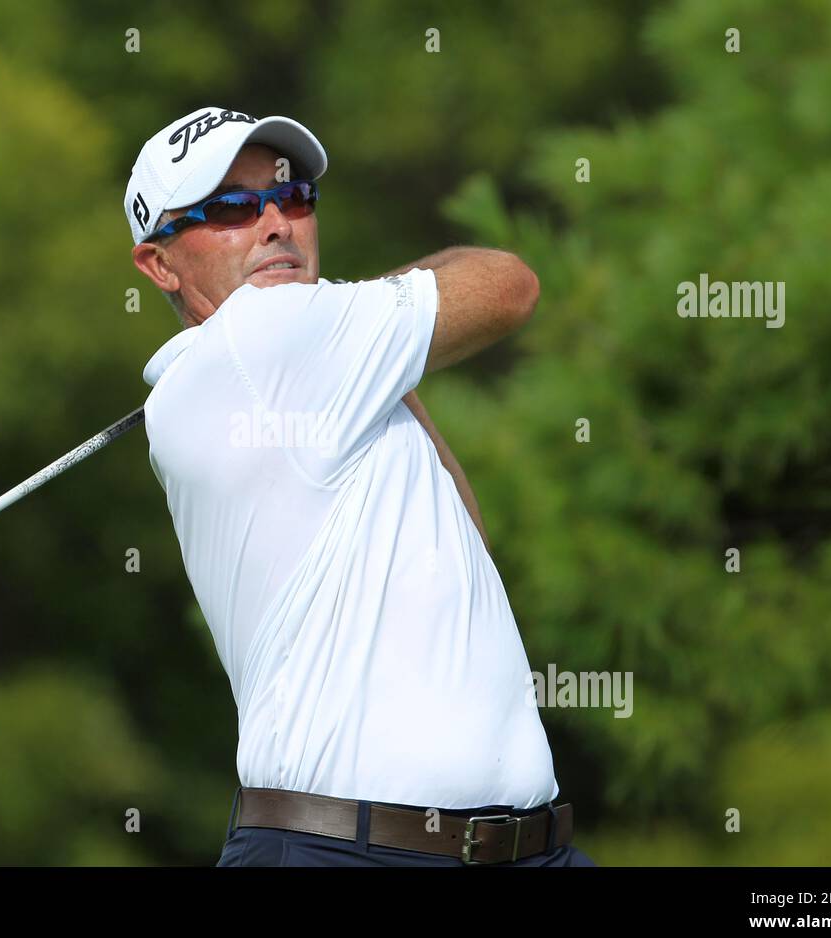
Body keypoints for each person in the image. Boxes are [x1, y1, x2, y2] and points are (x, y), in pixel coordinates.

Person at [125, 107, 594, 866]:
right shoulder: (269, 340)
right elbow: (510, 284)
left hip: (519, 848)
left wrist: (368, 337)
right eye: (232, 209)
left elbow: (464, 535)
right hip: (348, 850)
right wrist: (359, 314)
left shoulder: (325, 366)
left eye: (293, 195)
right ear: (160, 265)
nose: (275, 222)